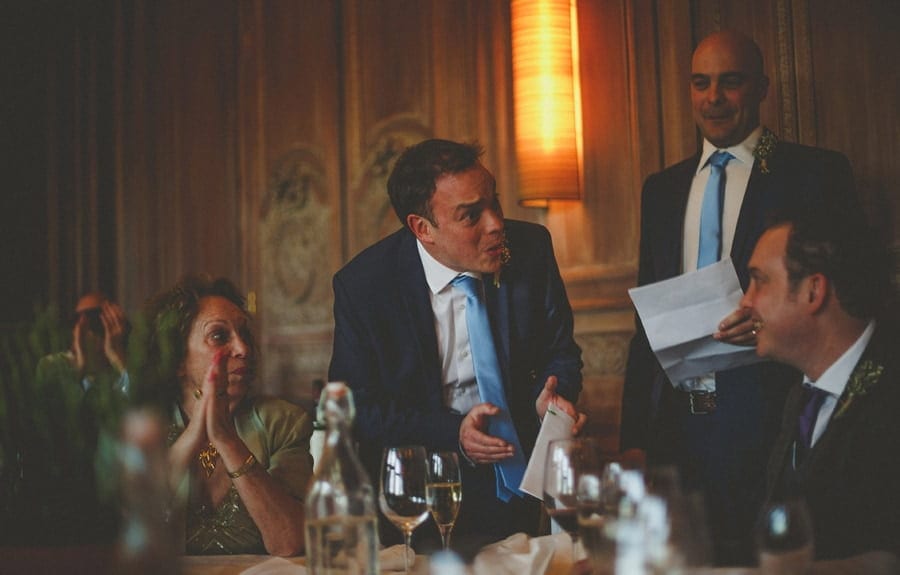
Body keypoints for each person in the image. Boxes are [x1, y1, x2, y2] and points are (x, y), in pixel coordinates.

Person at [620, 30, 861, 564]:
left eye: (730, 82)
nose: (714, 98)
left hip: (773, 422)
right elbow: (645, 322)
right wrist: (634, 438)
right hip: (678, 435)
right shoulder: (661, 189)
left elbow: (847, 299)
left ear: (761, 89)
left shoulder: (814, 172)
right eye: (701, 83)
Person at [328, 138, 586, 552]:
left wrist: (555, 395)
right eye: (470, 215)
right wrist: (454, 432)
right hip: (417, 495)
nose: (495, 224)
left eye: (494, 202)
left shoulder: (531, 249)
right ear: (422, 228)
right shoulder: (365, 287)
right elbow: (355, 408)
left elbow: (561, 352)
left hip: (520, 484)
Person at [740, 212, 900, 561]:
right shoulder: (801, 394)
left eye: (759, 281)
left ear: (814, 290)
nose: (745, 302)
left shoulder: (891, 395)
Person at [143, 275, 313, 556]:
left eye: (244, 334)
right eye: (219, 336)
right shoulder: (147, 425)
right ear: (177, 360)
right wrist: (192, 437)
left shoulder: (284, 423)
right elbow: (124, 534)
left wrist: (226, 438)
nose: (243, 349)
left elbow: (290, 541)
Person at [36, 291, 130, 394]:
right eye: (76, 319)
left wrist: (118, 359)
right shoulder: (53, 365)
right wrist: (80, 370)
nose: (80, 328)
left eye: (95, 321)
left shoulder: (121, 370)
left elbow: (136, 404)